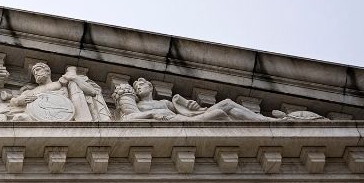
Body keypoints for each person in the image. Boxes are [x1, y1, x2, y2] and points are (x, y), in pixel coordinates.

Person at [111, 78, 270, 122]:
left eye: (142, 85)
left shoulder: (165, 103)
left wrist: (193, 106)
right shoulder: (138, 105)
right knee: (223, 111)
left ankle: (265, 120)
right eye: (137, 87)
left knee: (227, 104)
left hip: (189, 119)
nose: (139, 88)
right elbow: (128, 117)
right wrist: (152, 115)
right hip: (180, 122)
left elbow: (187, 111)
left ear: (151, 87)